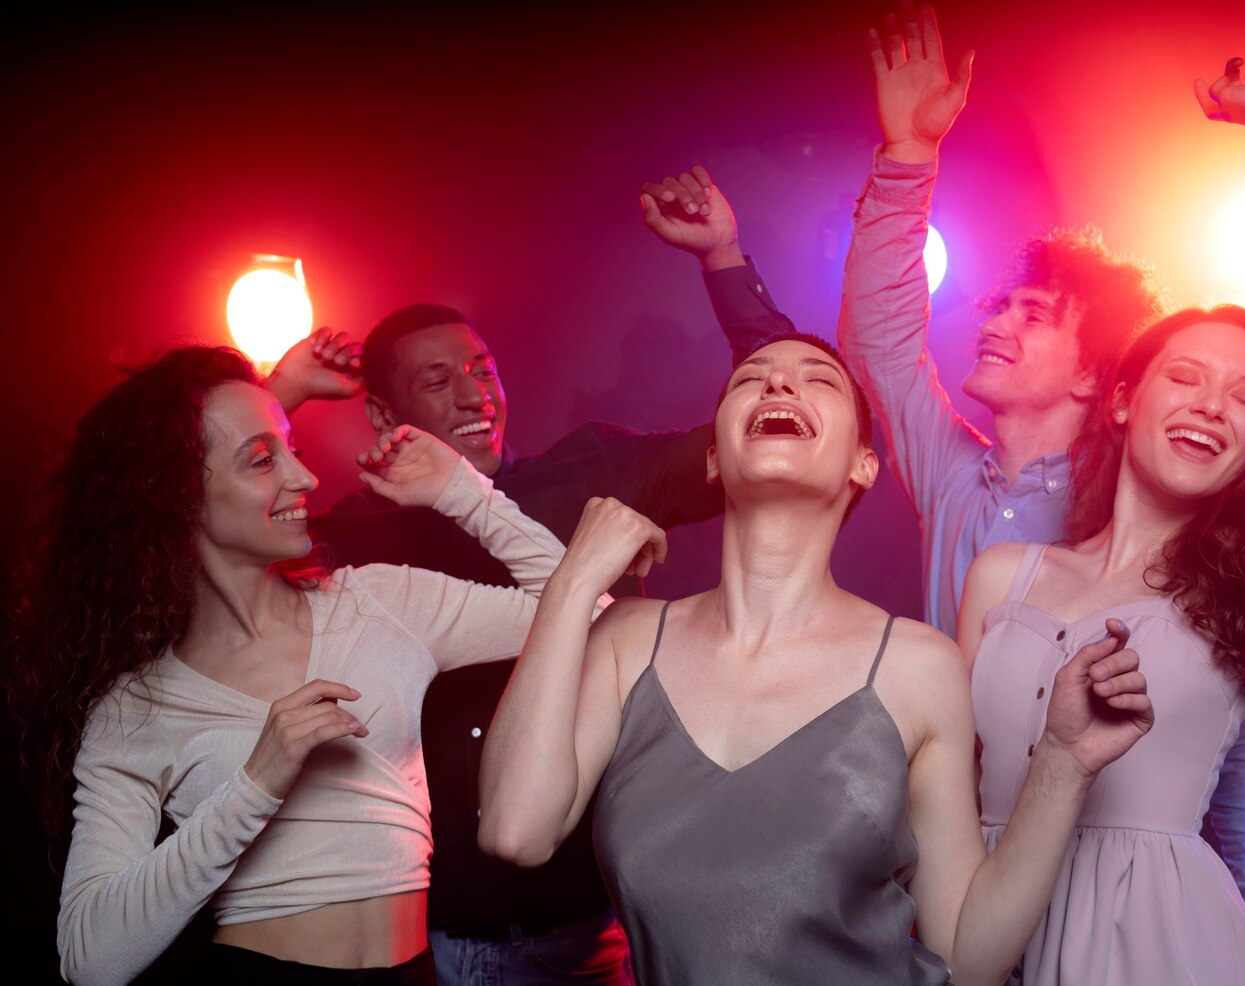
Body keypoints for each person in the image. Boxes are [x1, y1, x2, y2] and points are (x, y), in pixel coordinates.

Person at [838, 6, 1245, 980]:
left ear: (1092, 371)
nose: (999, 325)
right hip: (983, 918)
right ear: (1124, 396)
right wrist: (906, 154)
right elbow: (880, 349)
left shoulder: (1230, 587)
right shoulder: (993, 549)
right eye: (1184, 376)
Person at [479, 331, 1155, 986]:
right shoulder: (628, 640)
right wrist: (571, 583)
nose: (778, 381)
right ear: (713, 458)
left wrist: (1063, 764)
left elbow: (967, 960)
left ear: (863, 464)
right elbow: (515, 833)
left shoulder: (919, 665)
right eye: (751, 378)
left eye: (818, 379)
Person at [283, 170, 793, 986]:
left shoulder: (593, 467)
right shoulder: (356, 532)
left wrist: (723, 259)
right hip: (436, 932)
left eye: (481, 368)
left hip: (594, 919)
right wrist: (279, 395)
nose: (473, 393)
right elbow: (205, 552)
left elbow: (777, 431)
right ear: (382, 415)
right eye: (436, 380)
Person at [956, 56, 1245, 985]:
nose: (1214, 404)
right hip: (991, 937)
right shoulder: (999, 577)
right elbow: (945, 796)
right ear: (1124, 401)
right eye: (1185, 376)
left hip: (1174, 952)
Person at [9, 346, 569, 985]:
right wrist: (255, 783)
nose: (304, 478)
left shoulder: (382, 603)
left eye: (292, 449)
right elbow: (91, 959)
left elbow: (587, 608)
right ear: (176, 495)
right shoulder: (136, 706)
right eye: (262, 459)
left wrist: (463, 492)